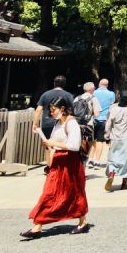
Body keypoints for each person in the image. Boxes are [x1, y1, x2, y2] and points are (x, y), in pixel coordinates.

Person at [21, 95, 89, 238]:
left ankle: (82, 221)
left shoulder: (71, 123)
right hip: (58, 162)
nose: (51, 113)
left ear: (62, 109)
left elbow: (74, 146)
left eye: (53, 110)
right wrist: (48, 143)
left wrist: (53, 144)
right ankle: (38, 225)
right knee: (50, 192)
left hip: (70, 163)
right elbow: (53, 140)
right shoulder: (58, 123)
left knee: (74, 192)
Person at [32, 75, 74, 168]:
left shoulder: (45, 94)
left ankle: (48, 165)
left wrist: (35, 123)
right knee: (59, 146)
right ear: (64, 84)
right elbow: (71, 110)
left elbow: (39, 109)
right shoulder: (68, 95)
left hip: (47, 123)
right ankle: (56, 165)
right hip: (61, 123)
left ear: (54, 83)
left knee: (48, 145)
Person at [104, 93, 127, 191]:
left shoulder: (113, 109)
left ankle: (112, 173)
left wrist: (107, 136)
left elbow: (108, 123)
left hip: (114, 137)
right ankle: (124, 182)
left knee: (113, 158)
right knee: (126, 160)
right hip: (126, 138)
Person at [73, 82, 100, 164]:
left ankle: (77, 160)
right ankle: (88, 160)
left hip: (76, 124)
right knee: (90, 143)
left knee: (78, 142)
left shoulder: (77, 98)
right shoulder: (93, 98)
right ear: (91, 89)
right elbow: (96, 114)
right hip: (88, 124)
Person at [90, 79, 116, 169]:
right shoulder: (111, 94)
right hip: (104, 119)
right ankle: (97, 161)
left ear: (99, 84)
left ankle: (90, 159)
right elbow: (111, 105)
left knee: (93, 140)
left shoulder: (94, 93)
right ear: (107, 85)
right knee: (100, 141)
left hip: (93, 119)